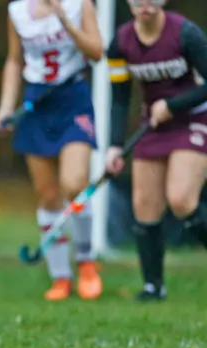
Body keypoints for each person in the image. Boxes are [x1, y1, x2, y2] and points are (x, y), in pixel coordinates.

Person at [0, 0, 103, 301]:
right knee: (48, 193)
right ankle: (60, 278)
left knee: (74, 183)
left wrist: (66, 21)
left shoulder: (81, 6)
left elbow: (96, 52)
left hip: (73, 98)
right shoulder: (17, 11)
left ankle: (86, 262)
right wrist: (5, 105)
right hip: (37, 102)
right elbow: (15, 60)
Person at [105, 0, 207, 301]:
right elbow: (120, 98)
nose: (144, 4)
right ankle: (154, 286)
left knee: (181, 199)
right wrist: (114, 145)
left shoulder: (185, 34)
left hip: (193, 120)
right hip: (154, 125)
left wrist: (173, 105)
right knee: (145, 206)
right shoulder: (120, 43)